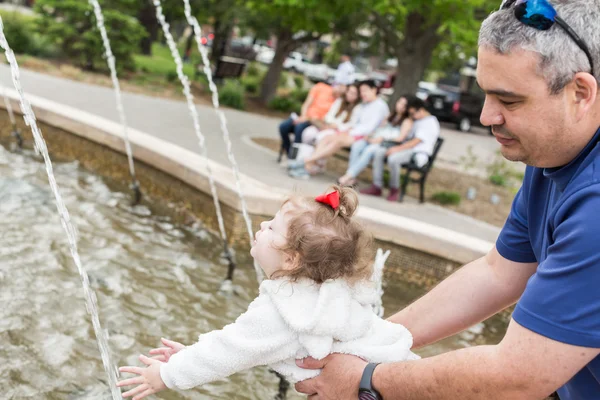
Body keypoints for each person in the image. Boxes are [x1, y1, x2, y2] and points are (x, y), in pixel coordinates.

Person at [293, 0, 600, 398]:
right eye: (486, 94)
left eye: (509, 101)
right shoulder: (554, 155)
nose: (488, 116)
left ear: (580, 92)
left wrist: (365, 380)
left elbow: (519, 375)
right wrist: (369, 340)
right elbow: (497, 273)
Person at [117, 186, 418, 399]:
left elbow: (230, 350)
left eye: (272, 228)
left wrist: (167, 375)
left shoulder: (287, 310)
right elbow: (240, 346)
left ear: (290, 260)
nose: (262, 225)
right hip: (400, 374)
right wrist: (191, 355)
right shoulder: (324, 295)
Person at [288, 80, 389, 179]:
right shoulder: (365, 104)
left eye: (365, 90)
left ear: (374, 90)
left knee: (336, 142)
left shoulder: (379, 106)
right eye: (361, 91)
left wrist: (349, 130)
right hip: (352, 132)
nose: (363, 93)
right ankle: (309, 165)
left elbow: (368, 128)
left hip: (362, 136)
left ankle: (305, 162)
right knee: (327, 138)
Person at [360, 96, 440, 201]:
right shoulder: (416, 121)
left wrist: (396, 149)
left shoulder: (430, 123)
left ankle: (394, 189)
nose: (412, 116)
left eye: (413, 113)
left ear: (421, 110)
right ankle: (377, 186)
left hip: (417, 152)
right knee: (379, 152)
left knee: (394, 159)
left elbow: (414, 142)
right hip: (404, 148)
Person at [338, 95, 414, 187]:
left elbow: (400, 138)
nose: (400, 106)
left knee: (369, 150)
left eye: (404, 104)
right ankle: (351, 178)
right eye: (399, 102)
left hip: (386, 144)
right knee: (357, 145)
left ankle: (348, 176)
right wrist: (370, 136)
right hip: (375, 139)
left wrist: (382, 139)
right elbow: (379, 128)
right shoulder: (390, 116)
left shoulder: (407, 121)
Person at [278, 82, 346, 159]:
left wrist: (307, 118)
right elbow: (306, 104)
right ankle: (289, 152)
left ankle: (294, 158)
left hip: (314, 122)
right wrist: (303, 116)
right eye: (340, 88)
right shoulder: (320, 87)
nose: (339, 92)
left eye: (341, 93)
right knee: (283, 127)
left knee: (299, 128)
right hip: (304, 116)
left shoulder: (337, 102)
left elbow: (324, 119)